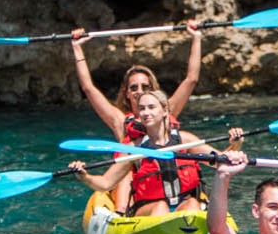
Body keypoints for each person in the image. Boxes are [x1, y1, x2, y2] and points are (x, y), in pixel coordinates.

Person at [69, 88, 242, 218]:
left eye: (151, 107)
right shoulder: (133, 149)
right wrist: (85, 176)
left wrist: (236, 144)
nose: (146, 113)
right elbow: (106, 183)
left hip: (183, 205)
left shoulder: (185, 140)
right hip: (148, 210)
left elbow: (222, 160)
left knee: (192, 204)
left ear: (165, 110)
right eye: (142, 108)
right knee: (160, 207)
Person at [69, 21, 203, 143]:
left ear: (153, 90)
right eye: (133, 88)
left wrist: (196, 38)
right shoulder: (119, 122)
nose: (139, 91)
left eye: (145, 87)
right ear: (127, 93)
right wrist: (77, 47)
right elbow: (88, 88)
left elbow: (191, 79)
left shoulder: (167, 111)